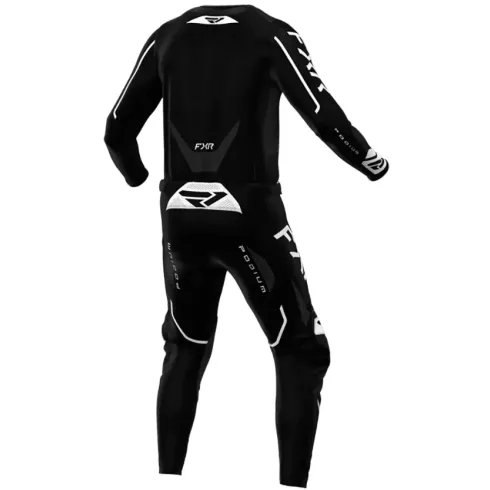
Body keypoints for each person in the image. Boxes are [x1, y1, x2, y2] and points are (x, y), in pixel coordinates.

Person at [104, 5, 389, 488]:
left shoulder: (167, 35)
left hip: (179, 213)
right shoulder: (269, 33)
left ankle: (167, 479)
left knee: (185, 346)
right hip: (249, 214)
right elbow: (322, 115)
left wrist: (136, 176)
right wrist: (371, 162)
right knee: (302, 350)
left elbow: (116, 130)